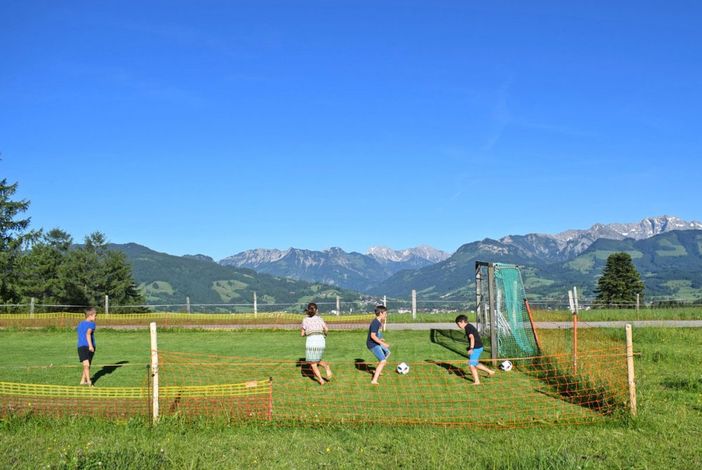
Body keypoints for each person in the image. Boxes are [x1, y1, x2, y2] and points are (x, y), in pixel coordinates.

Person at [455, 314, 495, 385]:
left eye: (458, 324)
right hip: (478, 347)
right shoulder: (469, 326)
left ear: (463, 321)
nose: (458, 325)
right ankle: (490, 371)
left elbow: (472, 337)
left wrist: (471, 348)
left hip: (476, 348)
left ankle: (477, 382)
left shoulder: (468, 328)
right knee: (475, 363)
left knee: (471, 365)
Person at [300, 302, 332, 385]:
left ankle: (321, 380)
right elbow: (326, 329)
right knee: (316, 360)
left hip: (311, 341)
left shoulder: (305, 320)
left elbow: (302, 334)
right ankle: (326, 367)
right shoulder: (320, 319)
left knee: (313, 363)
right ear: (316, 310)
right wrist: (324, 335)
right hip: (321, 341)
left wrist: (307, 333)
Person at [366, 305, 390, 385]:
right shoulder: (375, 323)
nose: (386, 315)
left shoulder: (378, 322)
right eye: (385, 313)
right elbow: (372, 336)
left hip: (375, 342)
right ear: (380, 313)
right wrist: (382, 343)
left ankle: (377, 370)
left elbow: (376, 333)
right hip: (372, 344)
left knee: (387, 353)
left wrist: (380, 339)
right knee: (383, 361)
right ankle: (374, 380)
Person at [77, 307, 97, 386]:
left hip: (81, 347)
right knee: (87, 365)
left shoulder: (80, 323)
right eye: (95, 315)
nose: (96, 317)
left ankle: (82, 381)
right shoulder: (92, 324)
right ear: (90, 315)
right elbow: (88, 334)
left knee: (86, 365)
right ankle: (89, 382)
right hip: (87, 346)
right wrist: (91, 346)